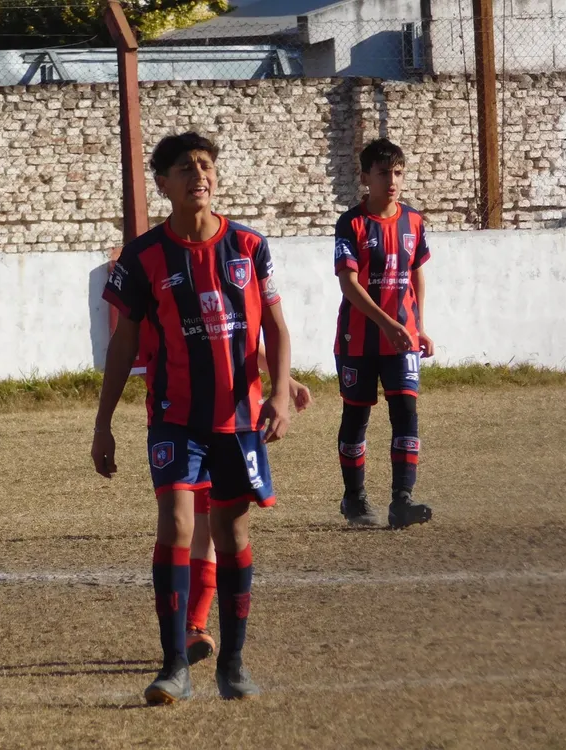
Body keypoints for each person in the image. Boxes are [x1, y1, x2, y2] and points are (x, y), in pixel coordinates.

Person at [92, 131, 293, 704]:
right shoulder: (142, 256)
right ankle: (174, 664)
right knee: (178, 526)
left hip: (238, 418)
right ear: (163, 184)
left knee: (231, 532)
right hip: (174, 417)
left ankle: (232, 664)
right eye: (185, 167)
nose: (199, 175)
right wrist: (103, 423)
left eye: (206, 165)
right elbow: (123, 345)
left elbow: (275, 328)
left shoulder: (251, 247)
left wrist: (279, 393)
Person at [132, 324, 312, 665]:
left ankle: (193, 627)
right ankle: (186, 630)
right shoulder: (158, 281)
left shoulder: (220, 284)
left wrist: (283, 381)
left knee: (211, 527)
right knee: (188, 524)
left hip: (228, 421)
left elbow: (237, 340)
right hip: (180, 420)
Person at [333, 137, 435, 529]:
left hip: (402, 339)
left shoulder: (413, 221)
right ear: (365, 177)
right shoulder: (352, 223)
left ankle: (401, 501)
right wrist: (387, 324)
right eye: (382, 173)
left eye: (397, 173)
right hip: (358, 340)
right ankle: (355, 499)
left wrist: (418, 326)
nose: (391, 181)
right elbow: (348, 284)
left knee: (406, 412)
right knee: (356, 417)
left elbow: (416, 275)